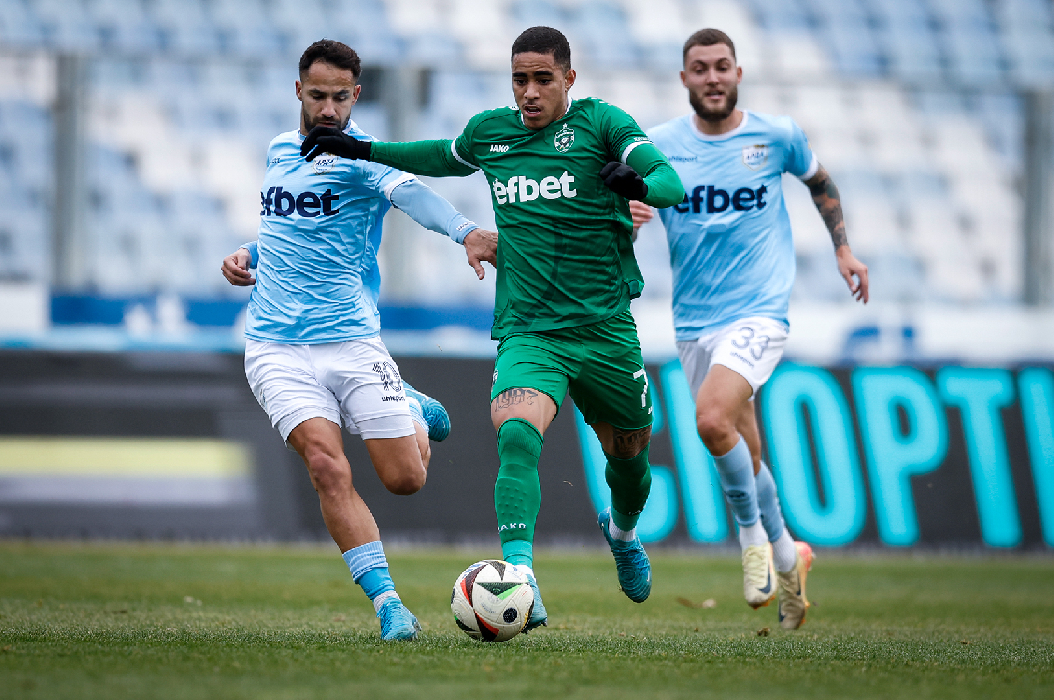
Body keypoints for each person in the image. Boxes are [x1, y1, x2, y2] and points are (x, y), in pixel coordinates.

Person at [299, 26, 685, 629]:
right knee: (517, 434)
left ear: (568, 79)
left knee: (631, 456)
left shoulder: (603, 124)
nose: (529, 92)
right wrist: (362, 149)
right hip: (529, 329)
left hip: (606, 330)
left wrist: (637, 184)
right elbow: (438, 156)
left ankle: (623, 532)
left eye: (542, 79)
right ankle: (520, 576)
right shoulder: (492, 133)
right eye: (519, 80)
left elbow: (669, 182)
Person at [220, 39, 498, 641]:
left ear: (357, 96)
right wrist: (248, 253)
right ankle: (389, 605)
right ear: (298, 91)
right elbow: (287, 230)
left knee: (406, 478)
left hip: (350, 341)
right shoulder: (278, 150)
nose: (328, 109)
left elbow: (415, 196)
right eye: (318, 95)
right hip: (274, 345)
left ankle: (410, 403)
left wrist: (467, 232)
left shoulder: (364, 157)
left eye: (340, 98)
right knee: (327, 466)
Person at [630, 28, 869, 630]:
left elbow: (820, 181)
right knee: (741, 439)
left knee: (712, 420)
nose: (712, 77)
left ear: (738, 73)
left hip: (760, 309)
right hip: (694, 321)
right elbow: (628, 212)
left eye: (722, 66)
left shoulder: (776, 135)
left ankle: (751, 539)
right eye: (700, 68)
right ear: (684, 78)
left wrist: (843, 249)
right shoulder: (658, 146)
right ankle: (790, 556)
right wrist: (629, 214)